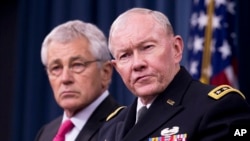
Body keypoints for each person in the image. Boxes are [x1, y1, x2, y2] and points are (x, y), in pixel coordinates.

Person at [98, 8, 250, 141]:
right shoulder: (110, 127)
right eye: (125, 55)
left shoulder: (219, 107)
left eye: (147, 47)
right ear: (117, 68)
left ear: (176, 49)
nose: (137, 64)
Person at [35, 20, 120, 141]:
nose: (65, 78)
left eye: (77, 65)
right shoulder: (46, 133)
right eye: (56, 68)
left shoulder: (122, 127)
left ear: (105, 72)